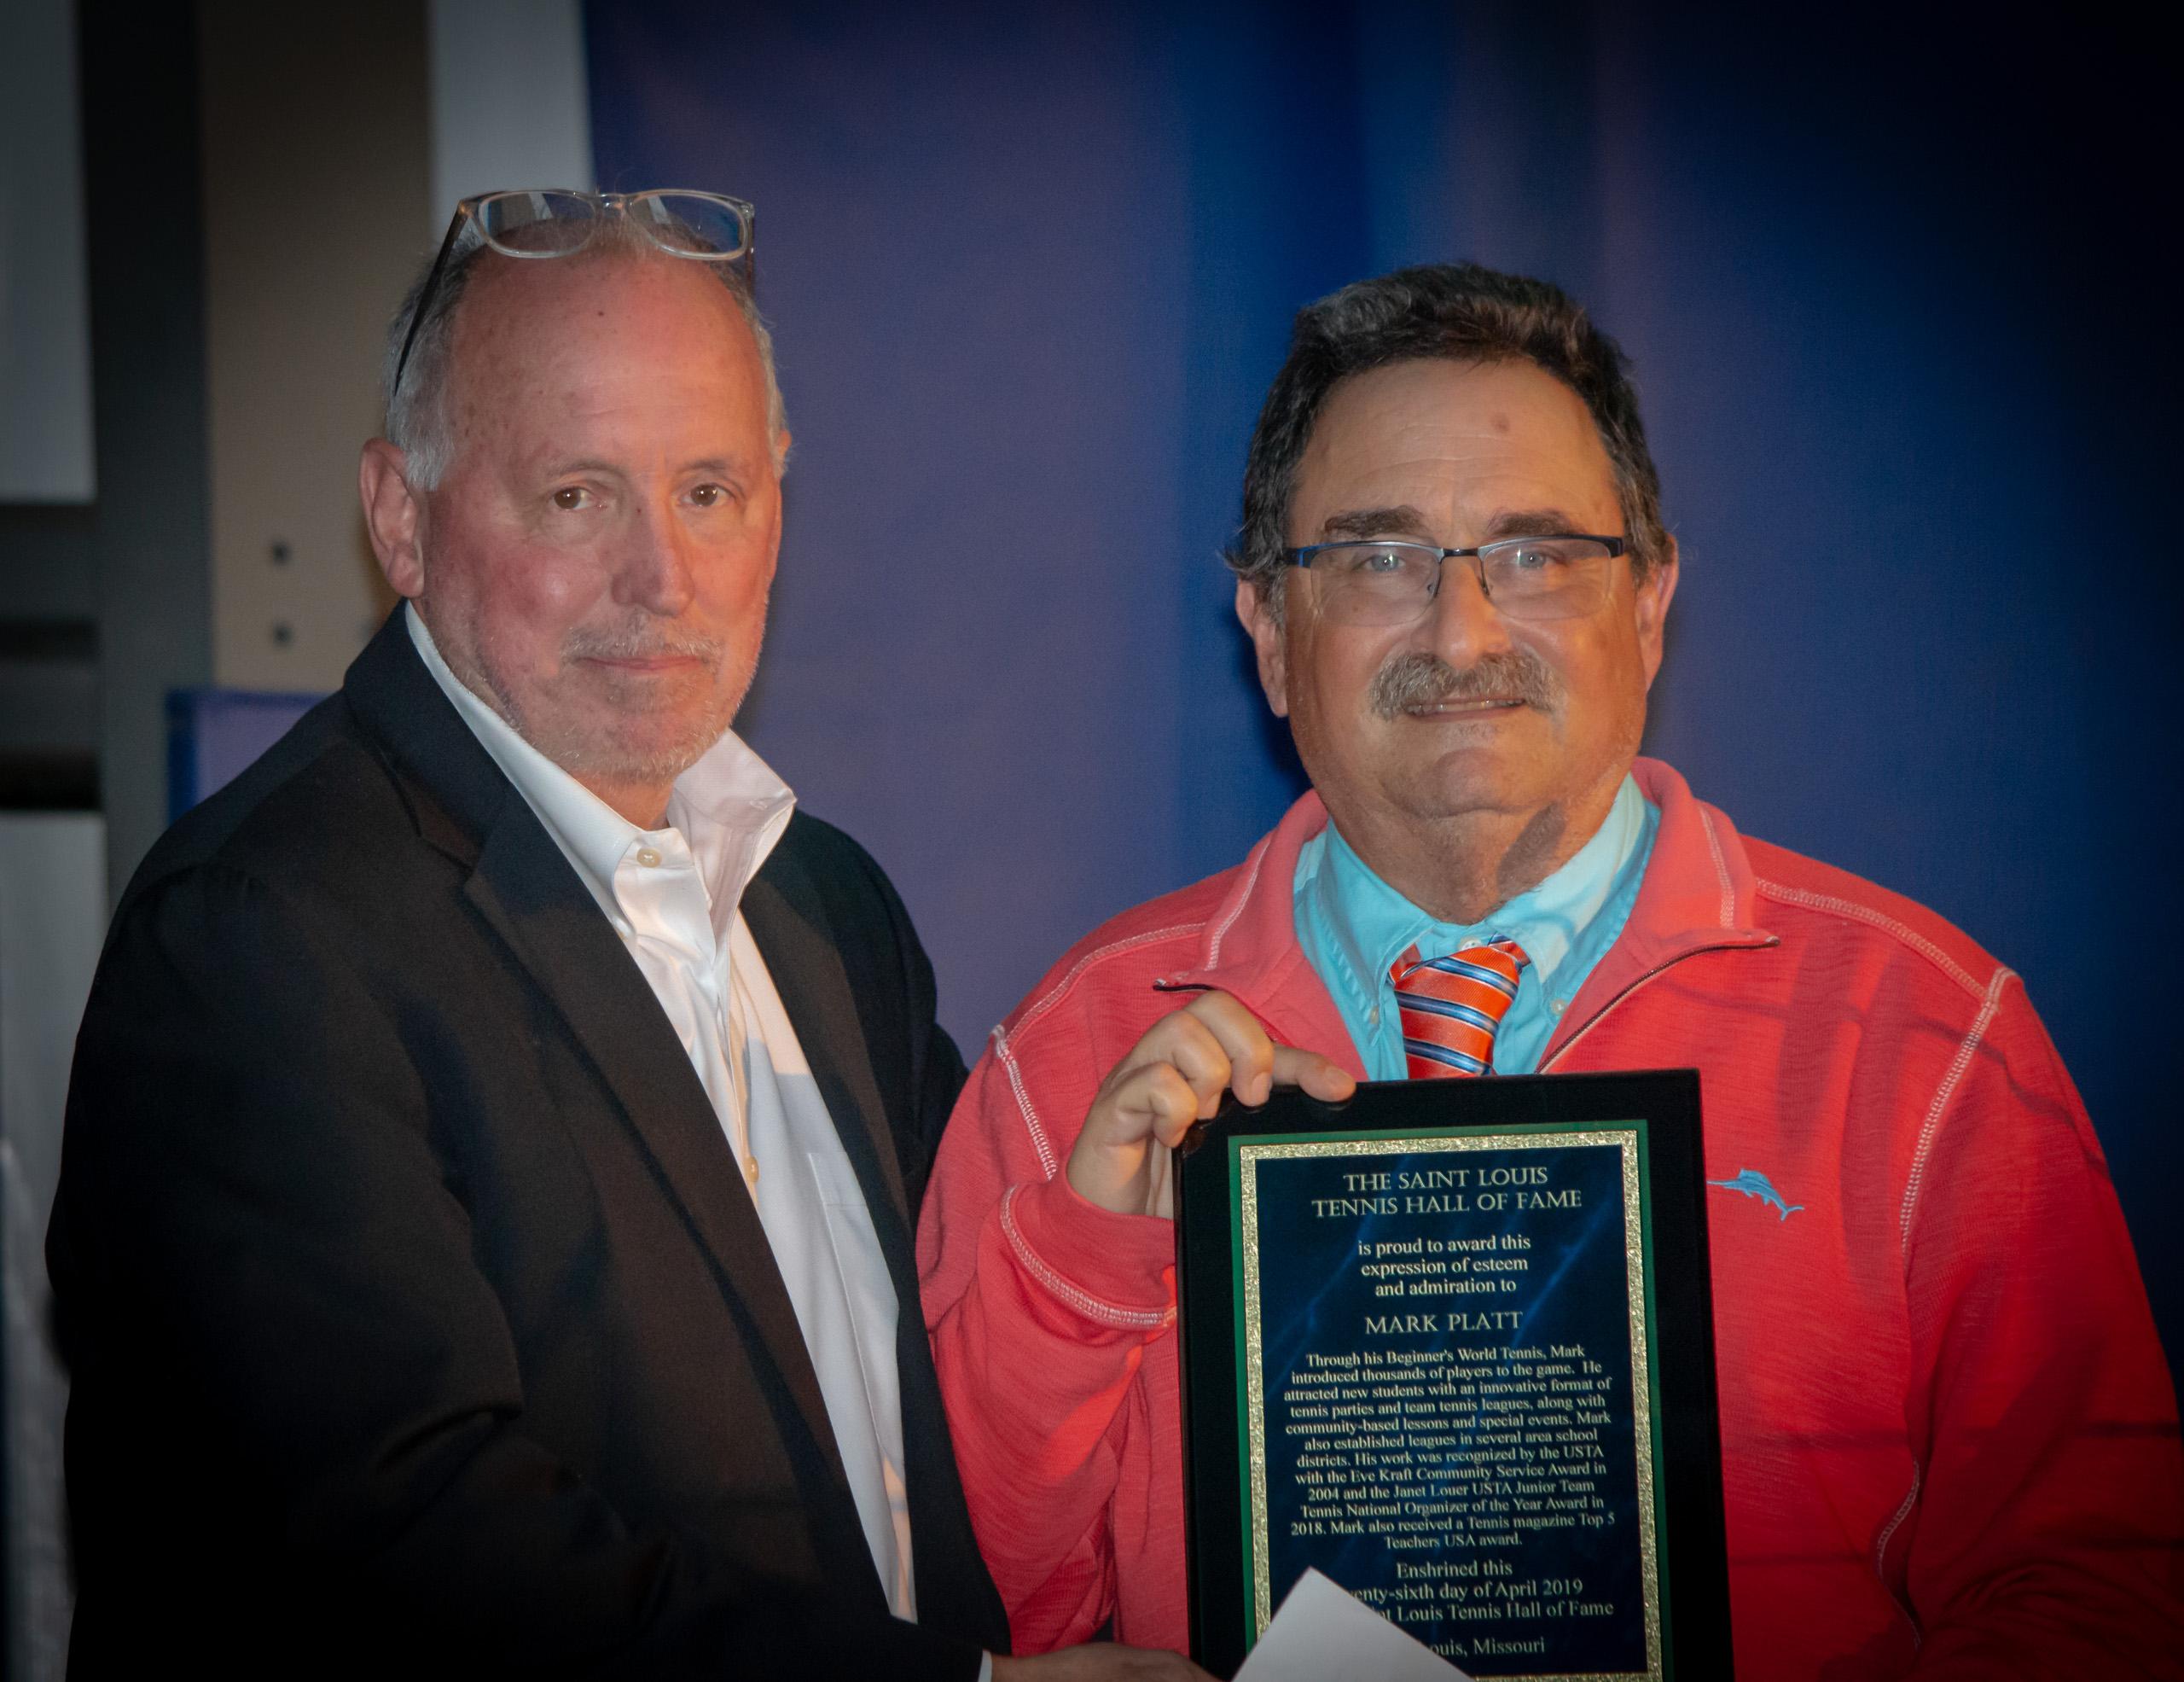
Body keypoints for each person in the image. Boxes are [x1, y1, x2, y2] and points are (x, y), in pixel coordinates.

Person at [918, 261, 2184, 1678]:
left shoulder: (1927, 1041)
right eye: (1378, 558)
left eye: (1537, 554)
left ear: (1648, 607)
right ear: (1271, 635)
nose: (1462, 635)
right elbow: (979, 1616)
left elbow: (2101, 1595)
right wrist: (1086, 1265)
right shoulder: (1077, 1054)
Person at [47, 190, 1201, 1681]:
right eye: (578, 495)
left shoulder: (825, 908)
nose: (662, 576)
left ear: (778, 499)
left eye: (708, 490)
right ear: (401, 519)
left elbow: (956, 1426)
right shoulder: (257, 940)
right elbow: (399, 1559)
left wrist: (1083, 1231)